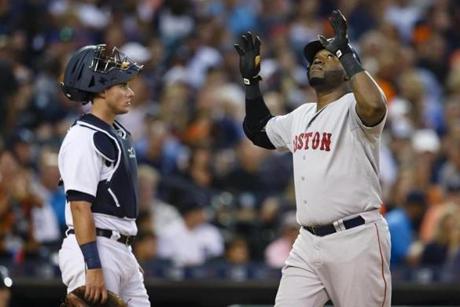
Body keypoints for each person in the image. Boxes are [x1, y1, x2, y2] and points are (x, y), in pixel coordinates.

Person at [234, 10, 391, 307]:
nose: (318, 58)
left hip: (355, 237)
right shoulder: (301, 115)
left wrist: (345, 51)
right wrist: (250, 80)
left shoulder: (352, 107)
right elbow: (258, 130)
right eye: (315, 57)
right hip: (307, 241)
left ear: (346, 71)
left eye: (328, 56)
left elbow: (375, 107)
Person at [57, 44, 150, 306]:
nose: (130, 93)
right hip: (95, 247)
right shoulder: (83, 136)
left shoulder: (117, 132)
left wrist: (125, 254)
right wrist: (93, 265)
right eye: (122, 85)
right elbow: (79, 206)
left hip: (118, 248)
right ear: (101, 89)